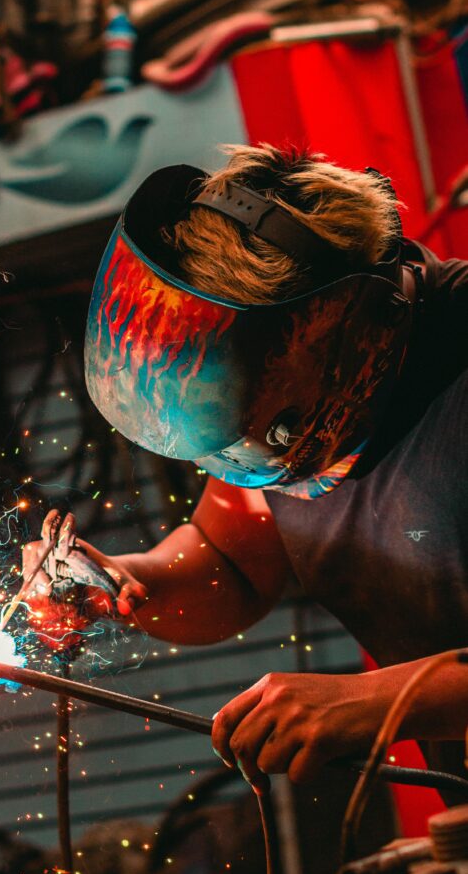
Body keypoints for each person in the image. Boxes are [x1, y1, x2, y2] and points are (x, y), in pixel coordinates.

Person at [23, 144, 468, 794]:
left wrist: (384, 700)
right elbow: (229, 562)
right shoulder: (308, 415)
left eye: (257, 431)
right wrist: (122, 583)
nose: (242, 460)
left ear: (333, 332)